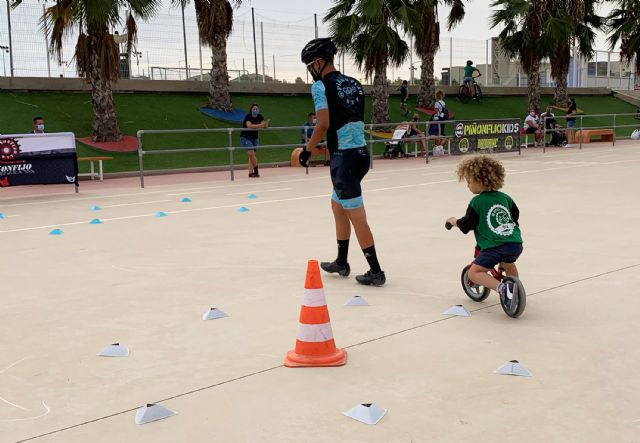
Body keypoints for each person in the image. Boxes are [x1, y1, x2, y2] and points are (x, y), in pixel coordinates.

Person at [300, 37, 385, 286]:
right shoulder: (354, 83)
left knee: (357, 216)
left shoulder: (320, 87)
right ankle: (341, 261)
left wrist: (308, 150)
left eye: (309, 66)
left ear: (317, 62)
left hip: (343, 159)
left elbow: (324, 123)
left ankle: (376, 270)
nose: (309, 71)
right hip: (360, 154)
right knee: (338, 207)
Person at [446, 155, 523, 308]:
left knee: (475, 272)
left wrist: (453, 221)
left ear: (481, 180)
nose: (468, 185)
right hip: (515, 243)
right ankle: (516, 289)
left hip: (494, 247)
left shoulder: (477, 201)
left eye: (469, 181)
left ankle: (503, 289)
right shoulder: (505, 197)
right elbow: (515, 216)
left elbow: (466, 224)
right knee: (508, 263)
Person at [240, 104, 269, 178]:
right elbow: (249, 125)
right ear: (251, 110)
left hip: (255, 138)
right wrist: (260, 125)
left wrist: (265, 124)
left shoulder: (260, 116)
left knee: (251, 156)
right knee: (251, 153)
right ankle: (256, 169)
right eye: (254, 109)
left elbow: (265, 126)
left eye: (256, 109)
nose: (255, 110)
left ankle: (250, 173)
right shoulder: (248, 116)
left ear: (258, 110)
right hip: (245, 137)